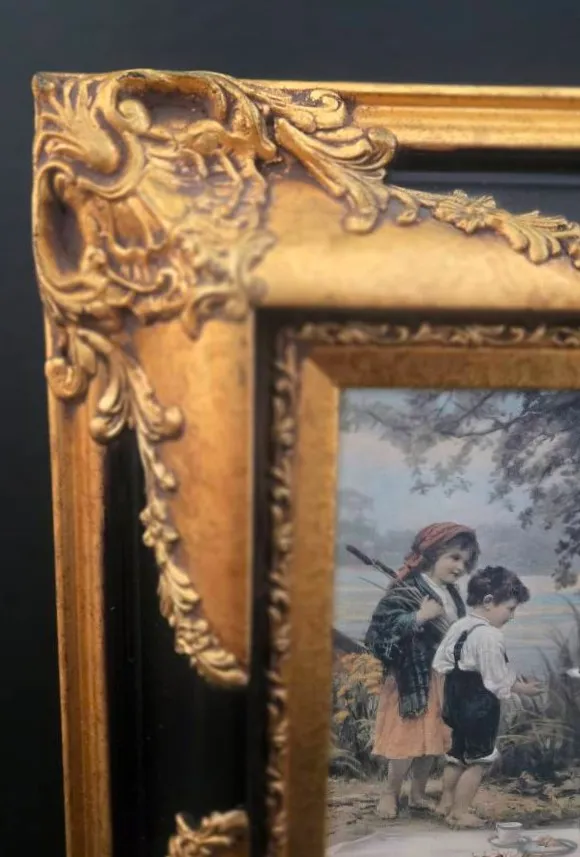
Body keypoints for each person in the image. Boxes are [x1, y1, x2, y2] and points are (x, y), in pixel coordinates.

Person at [365, 522, 480, 819]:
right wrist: (419, 617)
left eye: (465, 562)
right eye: (454, 557)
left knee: (432, 740)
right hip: (413, 677)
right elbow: (378, 632)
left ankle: (417, 793)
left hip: (442, 678)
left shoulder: (452, 594)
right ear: (433, 553)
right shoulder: (407, 588)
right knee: (407, 739)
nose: (460, 567)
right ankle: (390, 793)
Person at [433, 566, 543, 829]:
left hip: (454, 700)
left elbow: (440, 663)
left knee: (457, 755)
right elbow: (496, 679)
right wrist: (523, 689)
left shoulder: (459, 625)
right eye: (510, 608)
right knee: (479, 761)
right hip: (478, 706)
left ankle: (445, 803)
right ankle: (459, 812)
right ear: (489, 601)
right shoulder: (490, 636)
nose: (512, 616)